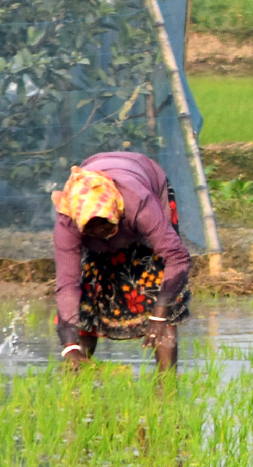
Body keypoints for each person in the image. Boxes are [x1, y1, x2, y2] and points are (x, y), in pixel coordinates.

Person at [52, 152, 191, 372]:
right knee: (88, 291)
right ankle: (79, 374)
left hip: (141, 186)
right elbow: (67, 284)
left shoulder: (140, 204)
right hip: (106, 203)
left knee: (157, 278)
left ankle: (166, 386)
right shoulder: (69, 220)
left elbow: (177, 257)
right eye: (92, 228)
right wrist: (69, 346)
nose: (100, 233)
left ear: (115, 211)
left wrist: (159, 313)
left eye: (104, 225)